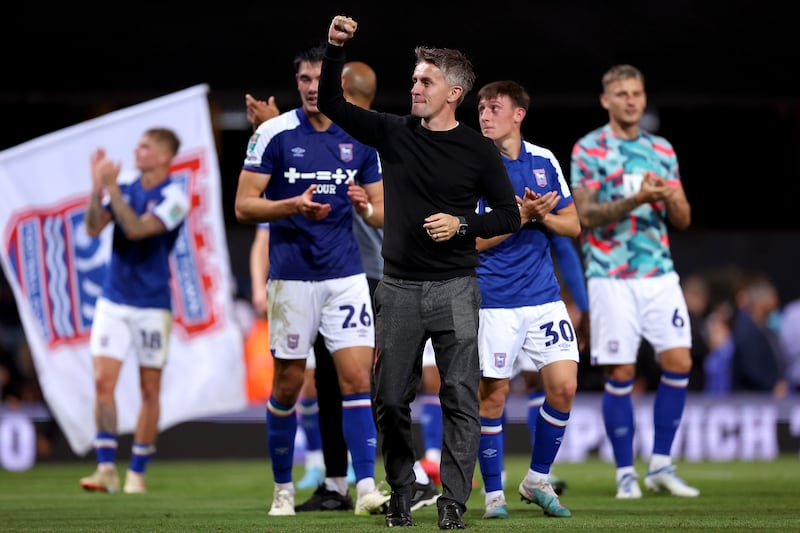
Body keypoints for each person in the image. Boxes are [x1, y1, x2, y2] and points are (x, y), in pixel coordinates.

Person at [320, 16, 521, 530]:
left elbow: (508, 215)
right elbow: (333, 105)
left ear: (452, 92)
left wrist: (462, 225)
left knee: (459, 397)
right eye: (413, 79)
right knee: (389, 398)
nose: (414, 87)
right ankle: (403, 490)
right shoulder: (393, 132)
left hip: (456, 287)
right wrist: (335, 50)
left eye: (424, 81)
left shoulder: (478, 149)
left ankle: (454, 500)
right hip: (400, 287)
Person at [245, 61, 440, 514]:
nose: (318, 93)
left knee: (381, 380)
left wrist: (369, 210)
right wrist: (272, 129)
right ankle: (337, 482)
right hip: (337, 272)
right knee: (338, 383)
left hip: (375, 273)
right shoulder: (331, 135)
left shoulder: (375, 139)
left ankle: (403, 478)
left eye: (329, 87)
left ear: (347, 95)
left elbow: (386, 211)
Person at [234, 42, 389, 518]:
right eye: (302, 79)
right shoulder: (273, 134)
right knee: (287, 383)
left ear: (336, 84)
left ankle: (365, 487)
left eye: (317, 80)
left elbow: (383, 212)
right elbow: (243, 206)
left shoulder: (360, 137)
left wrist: (365, 206)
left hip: (345, 276)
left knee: (357, 378)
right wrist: (291, 205)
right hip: (292, 279)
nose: (309, 88)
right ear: (297, 83)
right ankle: (282, 489)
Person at [570, 64, 699, 499]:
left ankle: (661, 464)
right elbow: (584, 215)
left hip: (658, 271)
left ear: (644, 98)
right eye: (622, 93)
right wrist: (637, 199)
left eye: (637, 93)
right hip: (610, 274)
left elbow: (681, 219)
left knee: (679, 361)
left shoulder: (661, 149)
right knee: (621, 369)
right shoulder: (588, 149)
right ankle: (625, 472)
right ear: (606, 100)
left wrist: (674, 196)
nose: (631, 100)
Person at [472, 80, 579, 519]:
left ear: (519, 114)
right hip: (494, 299)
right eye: (480, 108)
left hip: (544, 298)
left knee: (565, 387)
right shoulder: (471, 163)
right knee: (493, 395)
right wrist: (521, 217)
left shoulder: (544, 159)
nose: (484, 115)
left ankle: (536, 479)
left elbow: (572, 225)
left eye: (494, 107)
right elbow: (470, 241)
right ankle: (493, 495)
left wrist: (543, 215)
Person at [79, 127, 189, 494]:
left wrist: (111, 189)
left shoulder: (176, 197)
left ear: (163, 156)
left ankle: (137, 472)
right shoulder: (123, 185)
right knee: (102, 382)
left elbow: (140, 229)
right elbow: (94, 229)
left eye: (144, 146)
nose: (136, 151)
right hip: (114, 300)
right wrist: (98, 189)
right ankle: (106, 467)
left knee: (149, 389)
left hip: (151, 305)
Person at [249, 222, 325, 490]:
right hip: (294, 289)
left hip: (336, 283)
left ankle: (348, 458)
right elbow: (262, 240)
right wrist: (259, 286)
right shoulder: (280, 187)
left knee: (347, 377)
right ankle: (316, 462)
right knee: (306, 381)